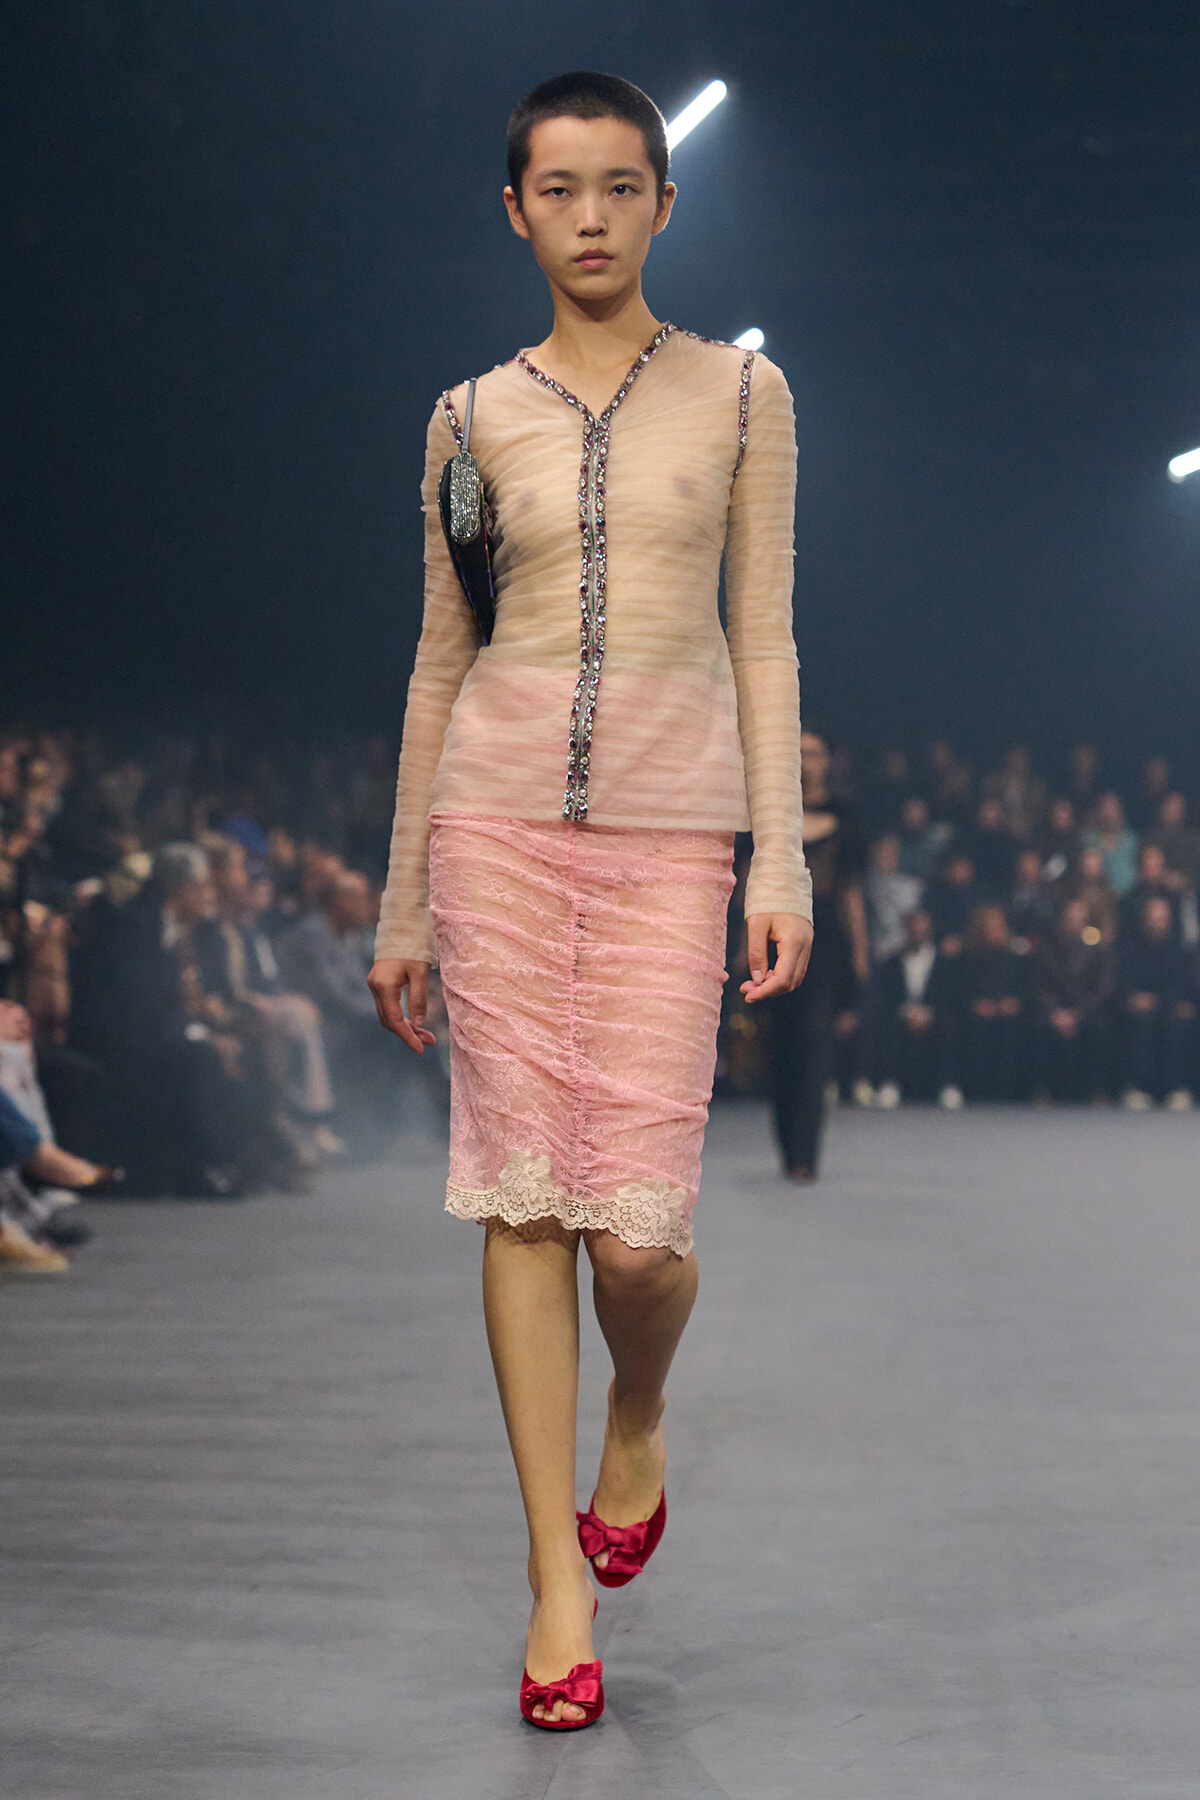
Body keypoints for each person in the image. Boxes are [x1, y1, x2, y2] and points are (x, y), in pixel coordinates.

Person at [367, 73, 813, 1730]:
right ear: (516, 211)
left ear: (667, 204)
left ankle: (640, 1412)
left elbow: (763, 635)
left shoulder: (747, 398)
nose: (595, 217)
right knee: (522, 1200)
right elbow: (441, 655)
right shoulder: (467, 421)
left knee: (638, 1238)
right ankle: (556, 1581)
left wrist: (780, 854)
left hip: (671, 835)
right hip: (492, 826)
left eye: (624, 187)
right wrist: (404, 888)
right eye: (561, 189)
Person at [766, 727, 866, 1171]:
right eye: (800, 752)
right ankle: (789, 1144)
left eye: (816, 753)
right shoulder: (771, 812)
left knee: (815, 1044)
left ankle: (806, 1154)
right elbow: (750, 878)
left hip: (826, 941)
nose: (808, 761)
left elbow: (851, 893)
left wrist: (861, 955)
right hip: (774, 935)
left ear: (828, 761)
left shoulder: (847, 818)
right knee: (781, 1046)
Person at [870, 908, 959, 1107]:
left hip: (933, 1016)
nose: (917, 930)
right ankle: (889, 1083)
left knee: (950, 1026)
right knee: (886, 1025)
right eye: (913, 925)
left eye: (922, 925)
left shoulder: (944, 963)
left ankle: (947, 1085)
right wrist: (907, 1012)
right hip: (902, 1016)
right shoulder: (892, 961)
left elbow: (949, 997)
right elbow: (886, 998)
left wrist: (929, 1013)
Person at [1117, 895, 1197, 1110]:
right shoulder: (1130, 948)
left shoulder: (1180, 950)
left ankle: (1177, 1088)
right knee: (1142, 1021)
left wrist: (1158, 1001)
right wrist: (1133, 998)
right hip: (1140, 1009)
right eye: (1153, 918)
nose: (1157, 923)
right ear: (1144, 920)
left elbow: (1185, 985)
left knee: (1177, 1023)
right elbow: (1123, 981)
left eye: (1162, 918)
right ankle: (1140, 1088)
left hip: (1171, 1007)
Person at [1033, 896, 1117, 1102]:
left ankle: (1096, 1090)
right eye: (1070, 916)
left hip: (1086, 1011)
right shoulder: (1046, 948)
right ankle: (1042, 1089)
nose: (1074, 921)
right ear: (1062, 918)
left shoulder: (1099, 949)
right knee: (1037, 1027)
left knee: (1099, 1028)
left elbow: (1103, 988)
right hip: (1053, 1011)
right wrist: (1056, 1012)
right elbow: (1039, 987)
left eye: (1079, 916)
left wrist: (1078, 1013)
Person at [955, 904, 1033, 1101]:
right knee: (975, 1027)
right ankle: (977, 1090)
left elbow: (1024, 988)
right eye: (990, 928)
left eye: (998, 927)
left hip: (1007, 1011)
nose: (994, 932)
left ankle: (1008, 1090)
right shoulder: (968, 957)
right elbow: (959, 989)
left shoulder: (1014, 958)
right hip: (976, 1010)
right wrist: (976, 1004)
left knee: (1012, 1028)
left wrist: (1013, 1002)